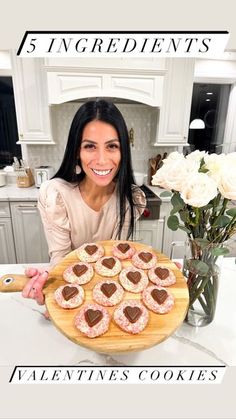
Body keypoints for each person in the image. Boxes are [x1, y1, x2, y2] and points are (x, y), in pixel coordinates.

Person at [22, 99, 146, 306]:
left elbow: (115, 261)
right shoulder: (56, 195)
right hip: (74, 294)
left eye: (112, 146)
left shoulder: (130, 199)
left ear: (123, 150)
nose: (102, 160)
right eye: (90, 146)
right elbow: (61, 260)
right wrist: (50, 285)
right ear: (76, 151)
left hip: (105, 298)